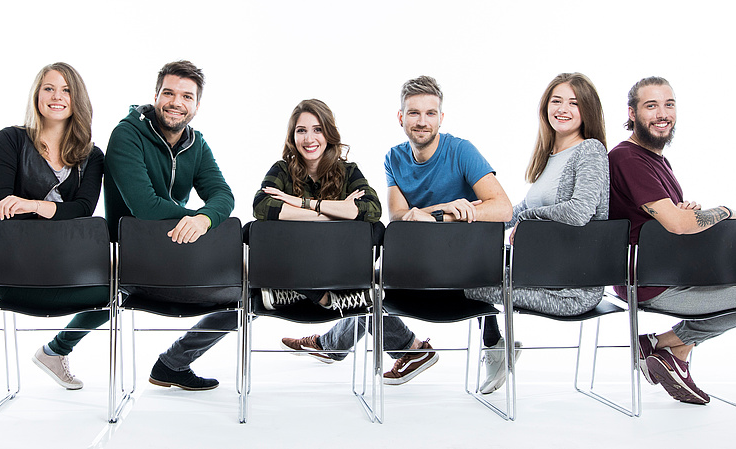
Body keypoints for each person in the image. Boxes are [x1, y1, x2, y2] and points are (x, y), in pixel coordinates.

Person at [284, 76, 512, 386]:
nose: (422, 121)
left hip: (462, 268)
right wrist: (436, 211)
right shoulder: (395, 157)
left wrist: (443, 216)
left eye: (430, 113)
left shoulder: (462, 151)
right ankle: (341, 346)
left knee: (367, 292)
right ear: (401, 118)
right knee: (366, 289)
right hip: (416, 268)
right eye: (414, 113)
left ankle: (341, 345)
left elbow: (503, 208)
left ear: (441, 118)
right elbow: (399, 217)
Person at [465, 72, 609, 393]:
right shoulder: (551, 158)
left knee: (465, 280)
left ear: (588, 110)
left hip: (571, 289)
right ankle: (496, 345)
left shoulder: (590, 151)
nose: (563, 108)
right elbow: (514, 213)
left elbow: (579, 211)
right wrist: (472, 217)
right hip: (541, 272)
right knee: (462, 265)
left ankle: (495, 347)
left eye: (574, 103)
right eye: (556, 100)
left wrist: (528, 220)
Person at [609, 76, 736, 405]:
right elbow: (678, 225)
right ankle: (666, 346)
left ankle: (670, 349)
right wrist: (724, 210)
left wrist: (683, 214)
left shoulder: (656, 160)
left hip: (670, 272)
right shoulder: (628, 158)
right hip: (650, 282)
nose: (662, 113)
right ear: (632, 113)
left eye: (669, 104)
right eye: (651, 105)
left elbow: (669, 221)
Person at [103, 60, 234, 391]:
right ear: (156, 95)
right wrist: (192, 218)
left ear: (197, 105)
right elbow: (145, 207)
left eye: (187, 97)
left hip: (179, 254)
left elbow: (223, 195)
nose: (177, 103)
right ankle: (57, 347)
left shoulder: (196, 143)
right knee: (103, 300)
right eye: (169, 93)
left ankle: (173, 363)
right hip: (134, 262)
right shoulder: (126, 135)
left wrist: (204, 219)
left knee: (248, 291)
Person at [0, 62, 104, 390]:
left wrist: (31, 205)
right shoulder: (10, 140)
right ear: (37, 94)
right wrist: (55, 213)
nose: (57, 96)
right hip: (15, 273)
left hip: (71, 273)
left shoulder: (92, 157)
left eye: (66, 90)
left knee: (119, 288)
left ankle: (56, 350)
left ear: (77, 99)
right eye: (49, 88)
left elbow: (83, 212)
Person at [254, 99, 380, 313]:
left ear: (328, 134)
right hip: (294, 258)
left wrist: (306, 204)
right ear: (293, 136)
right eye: (301, 130)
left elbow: (372, 209)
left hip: (336, 262)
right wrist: (331, 215)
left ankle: (296, 291)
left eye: (318, 130)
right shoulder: (282, 170)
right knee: (252, 231)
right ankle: (329, 297)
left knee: (377, 231)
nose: (309, 139)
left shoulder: (348, 171)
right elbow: (261, 206)